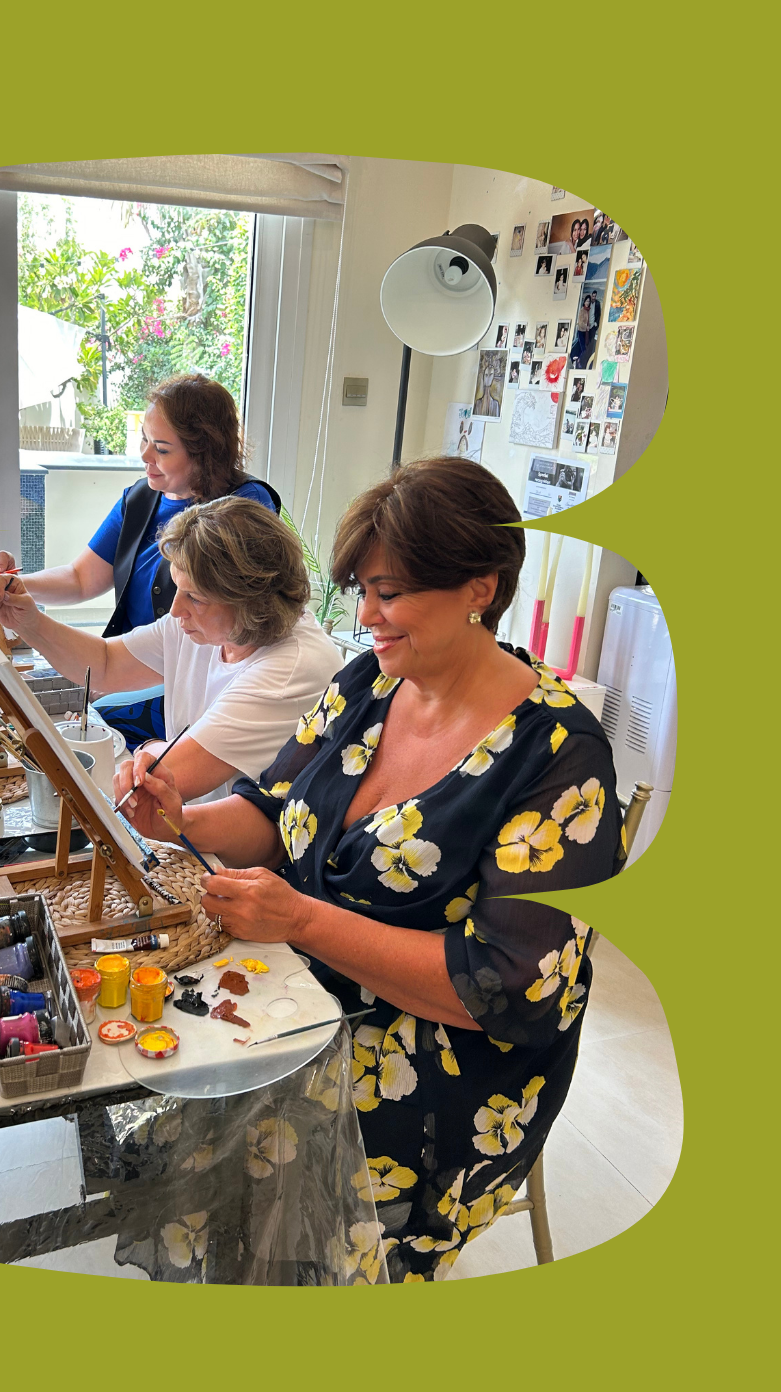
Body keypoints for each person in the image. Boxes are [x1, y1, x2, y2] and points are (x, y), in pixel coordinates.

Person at [119, 459, 623, 1281]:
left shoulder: (558, 758)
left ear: (479, 588)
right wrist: (180, 816)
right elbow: (276, 814)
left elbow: (505, 988)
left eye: (388, 593)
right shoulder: (368, 682)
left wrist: (304, 921)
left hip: (443, 1067)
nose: (366, 616)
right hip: (310, 989)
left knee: (242, 1129)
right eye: (360, 590)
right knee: (165, 1046)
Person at [0, 496, 342, 805]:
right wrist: (31, 624)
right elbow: (105, 663)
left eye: (195, 598)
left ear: (250, 602)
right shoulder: (211, 625)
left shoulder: (292, 669)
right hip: (189, 829)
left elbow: (163, 780)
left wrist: (151, 750)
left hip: (245, 868)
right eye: (178, 588)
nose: (175, 610)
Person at [0, 373, 279, 747]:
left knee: (86, 725)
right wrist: (15, 585)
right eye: (144, 438)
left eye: (161, 448)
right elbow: (80, 578)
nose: (144, 456)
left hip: (194, 682)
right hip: (135, 663)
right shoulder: (140, 499)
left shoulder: (244, 506)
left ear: (204, 452)